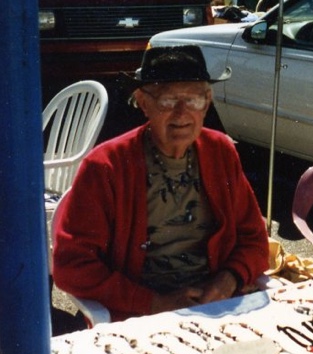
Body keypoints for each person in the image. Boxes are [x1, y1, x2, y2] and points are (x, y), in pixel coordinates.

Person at [52, 45, 270, 322]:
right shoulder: (105, 166)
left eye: (193, 100)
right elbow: (72, 266)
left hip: (217, 303)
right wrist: (154, 302)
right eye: (168, 101)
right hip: (140, 314)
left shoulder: (221, 151)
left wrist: (230, 278)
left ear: (207, 101)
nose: (181, 114)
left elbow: (254, 239)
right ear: (144, 104)